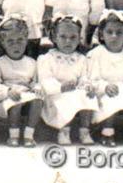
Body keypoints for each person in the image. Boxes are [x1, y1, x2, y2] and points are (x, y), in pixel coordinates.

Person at [87, 10, 123, 147]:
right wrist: (104, 87)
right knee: (110, 102)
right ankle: (107, 133)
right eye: (109, 32)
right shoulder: (96, 54)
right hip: (106, 90)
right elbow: (91, 78)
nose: (114, 36)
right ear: (102, 35)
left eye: (119, 33)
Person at [37, 14, 98, 145]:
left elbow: (84, 77)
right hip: (55, 94)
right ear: (54, 37)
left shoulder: (81, 59)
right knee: (67, 98)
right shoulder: (46, 58)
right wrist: (61, 87)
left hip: (75, 91)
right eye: (63, 37)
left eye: (73, 38)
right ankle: (64, 131)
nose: (68, 41)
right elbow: (45, 80)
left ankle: (84, 131)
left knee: (87, 96)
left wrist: (87, 86)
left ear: (79, 38)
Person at [0, 15, 43, 147]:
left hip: (26, 93)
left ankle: (29, 134)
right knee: (16, 101)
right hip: (8, 97)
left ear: (26, 40)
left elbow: (34, 81)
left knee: (38, 100)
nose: (16, 45)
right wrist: (8, 91)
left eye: (20, 40)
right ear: (3, 42)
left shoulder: (31, 62)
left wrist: (36, 87)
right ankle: (13, 134)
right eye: (11, 41)